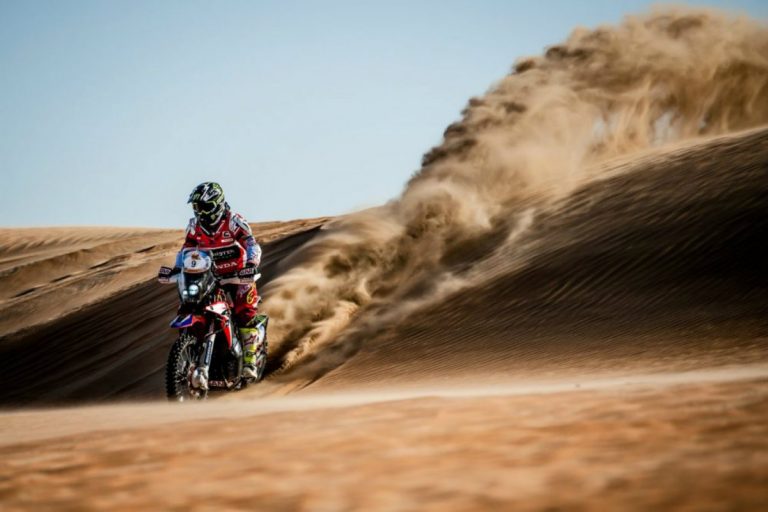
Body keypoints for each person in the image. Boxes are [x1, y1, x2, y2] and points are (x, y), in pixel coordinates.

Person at [175, 181, 265, 380]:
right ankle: (191, 351)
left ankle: (249, 362)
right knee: (189, 306)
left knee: (244, 312)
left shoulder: (233, 221)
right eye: (197, 207)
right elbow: (186, 250)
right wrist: (178, 267)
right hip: (210, 277)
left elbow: (251, 243)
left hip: (238, 275)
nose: (200, 212)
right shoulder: (194, 226)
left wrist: (251, 263)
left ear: (217, 205)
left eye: (205, 207)